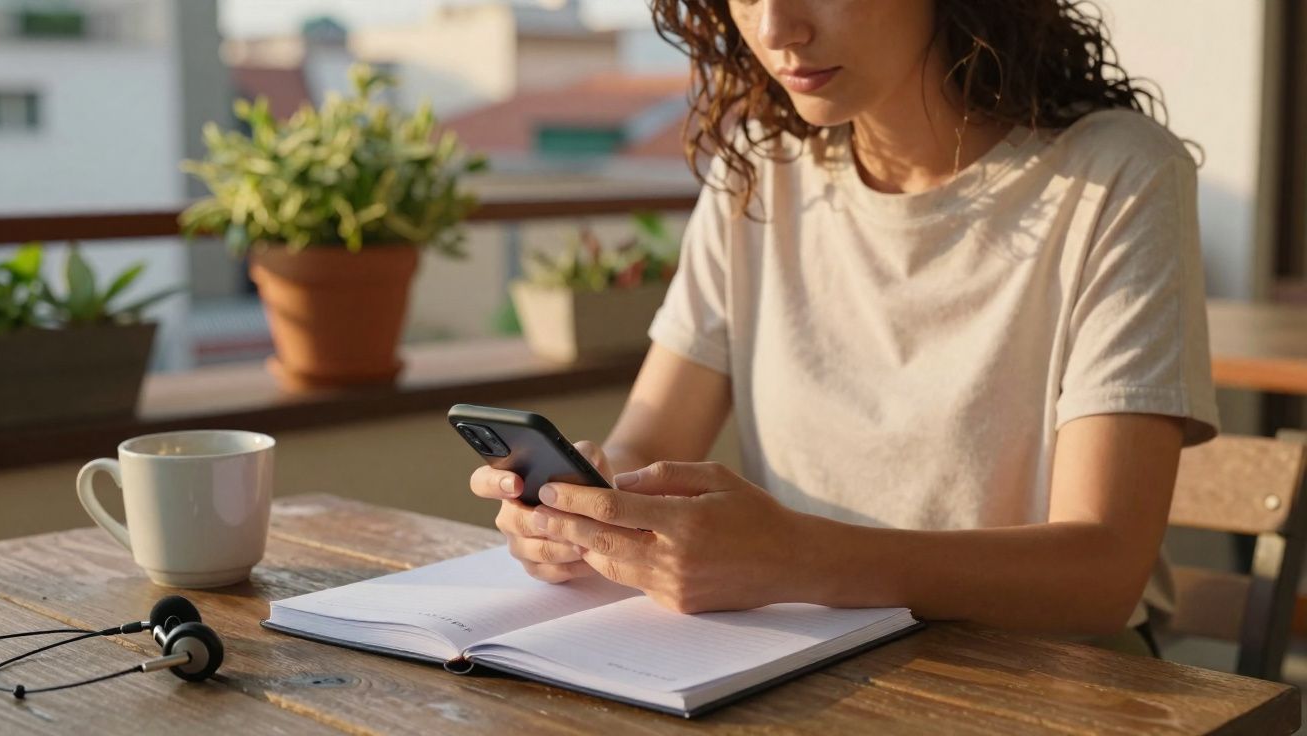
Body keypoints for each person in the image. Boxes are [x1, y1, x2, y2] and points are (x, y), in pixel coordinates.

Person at [469, 0, 1218, 654]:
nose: (776, 27)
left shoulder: (1119, 176)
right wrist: (583, 512)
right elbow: (649, 446)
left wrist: (797, 559)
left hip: (1057, 687)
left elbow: (1101, 576)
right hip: (808, 673)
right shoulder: (761, 170)